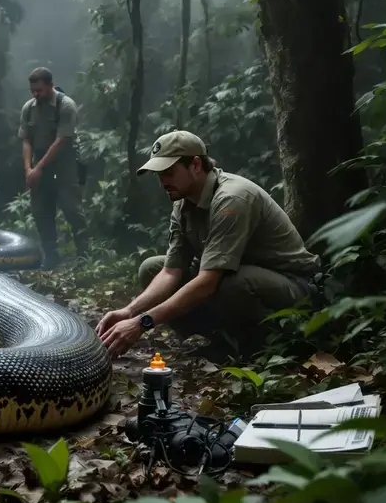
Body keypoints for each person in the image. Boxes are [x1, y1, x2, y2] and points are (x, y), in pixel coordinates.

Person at [96, 130, 323, 360]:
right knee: (152, 268)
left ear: (195, 165)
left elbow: (207, 282)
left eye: (169, 172)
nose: (163, 181)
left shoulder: (232, 199)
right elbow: (171, 271)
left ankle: (263, 346)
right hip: (233, 278)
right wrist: (129, 312)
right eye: (159, 174)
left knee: (229, 283)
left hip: (293, 286)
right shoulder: (182, 203)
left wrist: (142, 323)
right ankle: (220, 339)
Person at [18, 67, 88, 267]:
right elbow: (26, 141)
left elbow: (61, 141)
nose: (35, 94)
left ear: (50, 85)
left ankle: (83, 256)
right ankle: (51, 257)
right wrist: (28, 170)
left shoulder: (65, 105)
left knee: (72, 210)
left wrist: (37, 169)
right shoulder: (29, 108)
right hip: (40, 163)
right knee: (41, 211)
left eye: (39, 90)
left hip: (64, 164)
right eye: (33, 90)